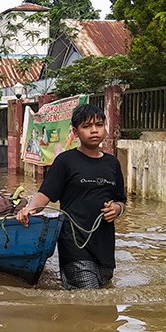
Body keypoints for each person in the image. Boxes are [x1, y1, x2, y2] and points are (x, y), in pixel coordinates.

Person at [16, 104, 127, 289]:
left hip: (104, 246)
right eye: (87, 126)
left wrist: (116, 209)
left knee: (102, 295)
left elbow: (121, 201)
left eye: (99, 125)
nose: (94, 130)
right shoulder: (65, 161)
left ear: (105, 128)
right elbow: (45, 194)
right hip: (74, 244)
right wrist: (29, 209)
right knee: (88, 295)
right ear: (75, 132)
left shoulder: (112, 163)